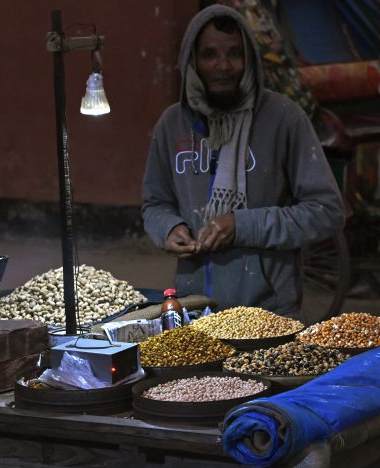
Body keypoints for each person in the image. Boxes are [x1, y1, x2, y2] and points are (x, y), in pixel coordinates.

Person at [141, 5, 345, 318]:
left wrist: (242, 225)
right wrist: (169, 227)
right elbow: (155, 204)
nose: (223, 66)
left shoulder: (284, 119)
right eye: (209, 54)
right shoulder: (172, 125)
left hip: (268, 310)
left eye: (235, 53)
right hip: (195, 309)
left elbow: (327, 211)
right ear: (191, 60)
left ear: (249, 58)